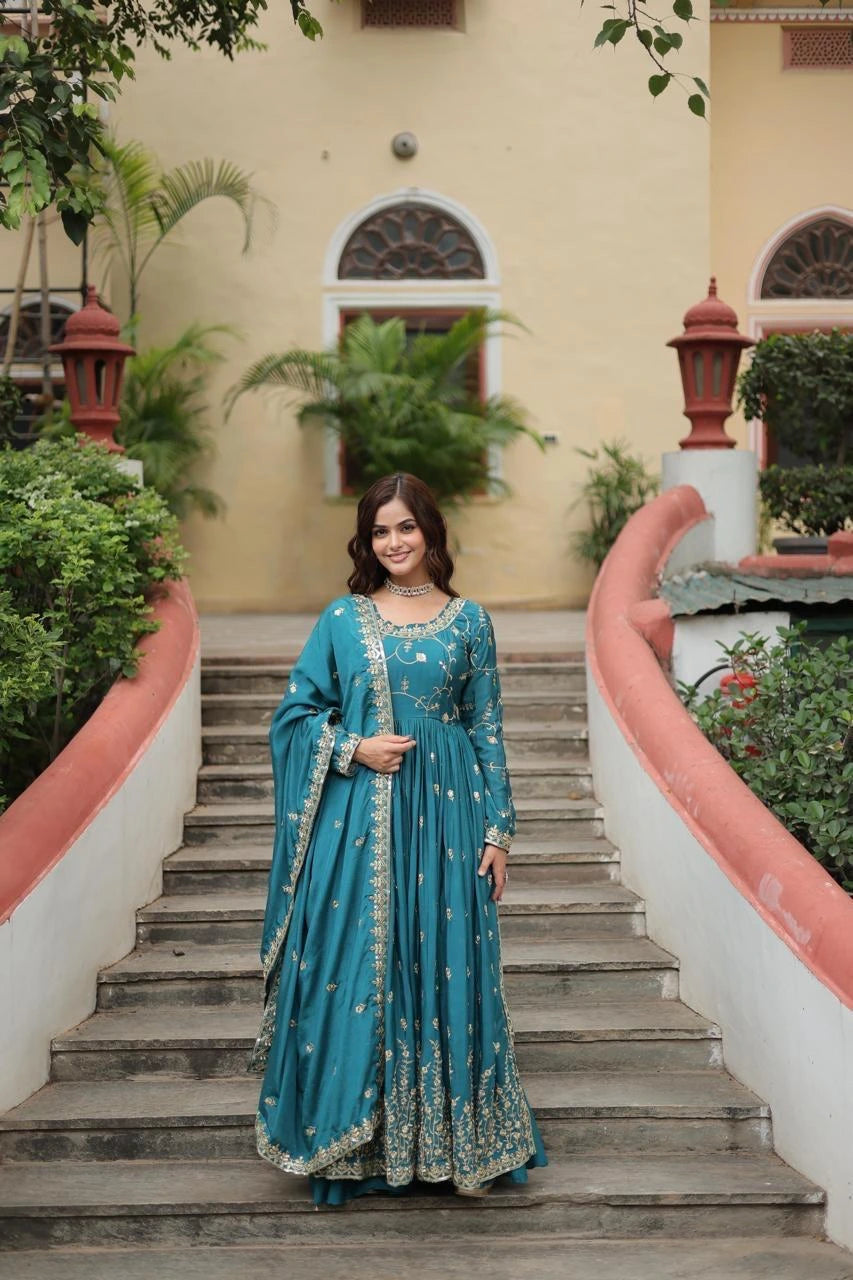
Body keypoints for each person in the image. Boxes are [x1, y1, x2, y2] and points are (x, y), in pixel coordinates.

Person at [250, 471, 547, 1205]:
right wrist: (353, 747)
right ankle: (358, 1144)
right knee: (355, 967)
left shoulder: (470, 621)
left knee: (446, 965)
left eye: (405, 527)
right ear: (366, 541)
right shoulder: (342, 620)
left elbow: (486, 727)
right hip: (360, 821)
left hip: (448, 821)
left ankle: (451, 1145)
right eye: (379, 531)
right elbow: (294, 717)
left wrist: (499, 831)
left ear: (430, 531)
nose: (393, 542)